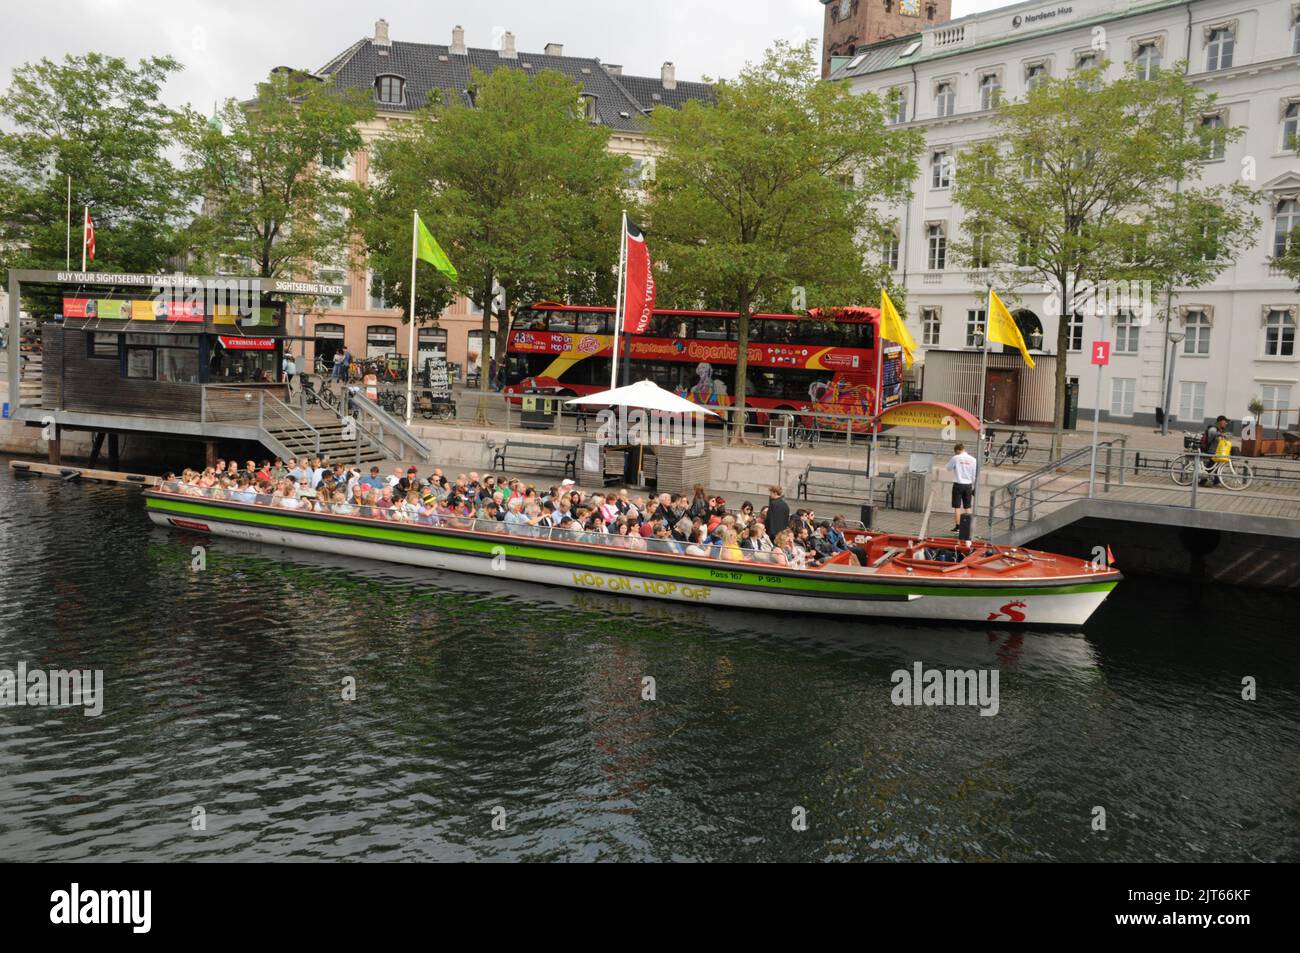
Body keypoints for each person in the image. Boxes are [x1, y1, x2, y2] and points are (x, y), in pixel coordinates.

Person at [945, 442, 978, 534]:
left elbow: (948, 468)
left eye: (955, 452)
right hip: (968, 485)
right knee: (967, 507)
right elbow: (974, 474)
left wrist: (956, 466)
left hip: (958, 484)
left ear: (957, 450)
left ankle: (958, 527)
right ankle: (969, 527)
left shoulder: (956, 458)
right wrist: (974, 487)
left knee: (957, 506)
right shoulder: (973, 459)